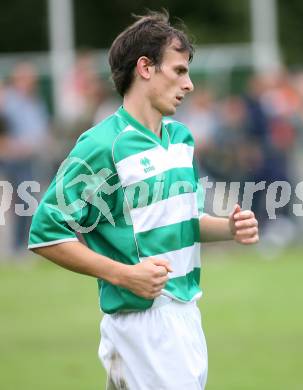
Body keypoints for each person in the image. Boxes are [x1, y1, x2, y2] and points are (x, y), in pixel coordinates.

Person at [28, 11, 259, 390]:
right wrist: (123, 274)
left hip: (185, 315)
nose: (190, 85)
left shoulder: (181, 138)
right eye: (179, 71)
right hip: (145, 326)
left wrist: (229, 229)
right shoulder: (104, 145)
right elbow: (44, 233)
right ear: (146, 68)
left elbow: (181, 220)